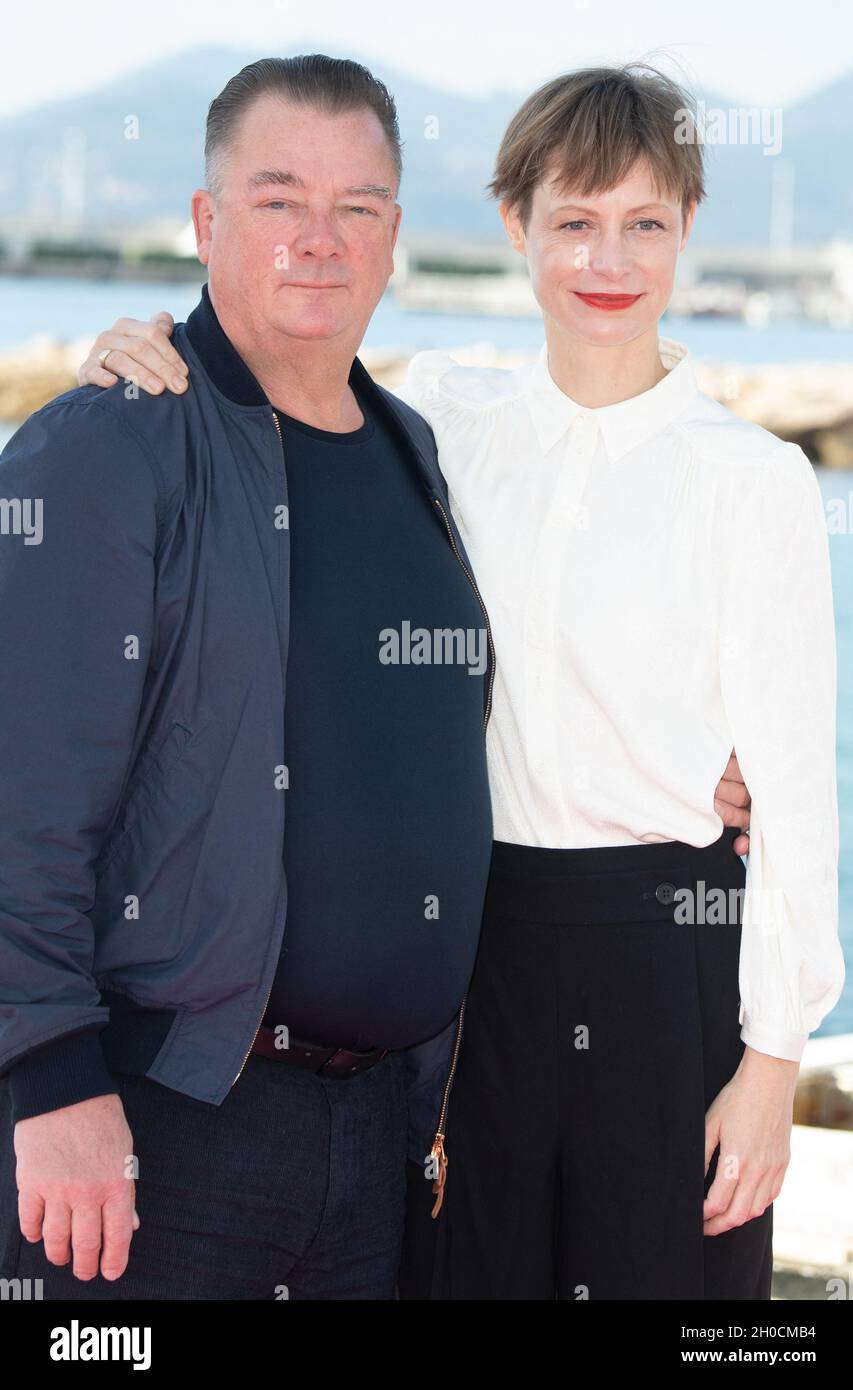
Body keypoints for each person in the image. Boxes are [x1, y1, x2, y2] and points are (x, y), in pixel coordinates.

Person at [69, 64, 789, 1302]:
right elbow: (276, 365)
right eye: (571, 219)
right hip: (391, 1019)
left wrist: (772, 1046)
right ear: (514, 227)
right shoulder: (446, 421)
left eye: (644, 223)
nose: (605, 258)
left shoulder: (724, 472)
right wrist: (134, 350)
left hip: (581, 1000)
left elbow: (787, 791)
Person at [0, 53, 500, 1300]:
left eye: (357, 206)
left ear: (394, 237)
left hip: (378, 1128)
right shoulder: (108, 443)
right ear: (207, 222)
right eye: (278, 200)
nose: (318, 240)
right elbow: (23, 794)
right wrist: (50, 1080)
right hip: (163, 1121)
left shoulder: (413, 448)